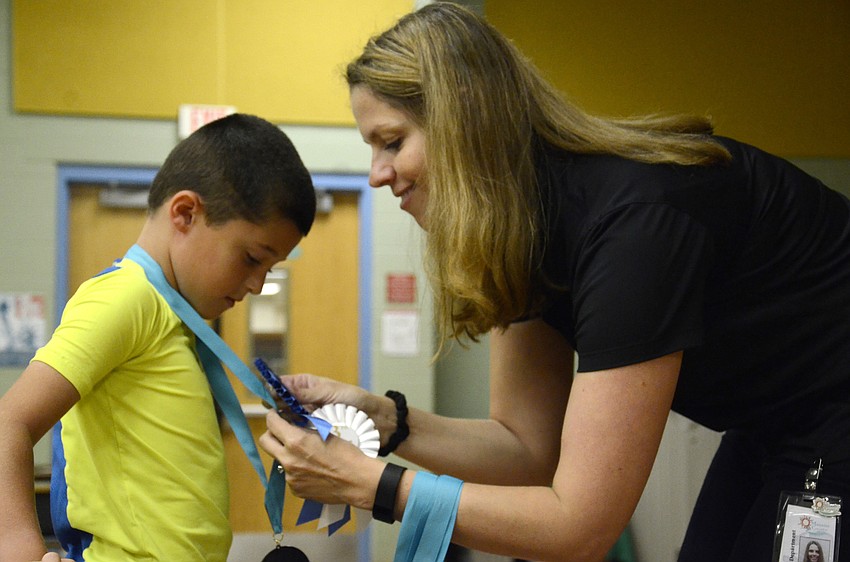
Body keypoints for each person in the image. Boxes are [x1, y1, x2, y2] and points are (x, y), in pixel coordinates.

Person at [259, 3, 850, 562]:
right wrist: (383, 420)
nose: (377, 174)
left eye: (392, 142)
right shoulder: (525, 233)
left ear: (467, 124)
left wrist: (371, 484)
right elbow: (526, 449)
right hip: (772, 421)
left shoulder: (632, 228)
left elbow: (580, 528)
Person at [0, 113, 316, 562]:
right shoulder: (126, 296)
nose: (257, 284)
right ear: (185, 213)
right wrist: (18, 549)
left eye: (270, 269)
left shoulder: (173, 313)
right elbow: (8, 422)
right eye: (251, 258)